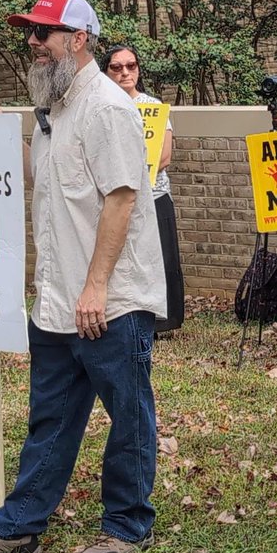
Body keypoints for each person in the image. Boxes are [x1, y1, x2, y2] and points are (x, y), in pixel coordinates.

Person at [0, 0, 167, 553]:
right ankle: (18, 530)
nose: (33, 43)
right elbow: (44, 177)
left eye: (43, 32)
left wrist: (96, 287)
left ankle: (126, 527)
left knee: (129, 416)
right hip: (56, 301)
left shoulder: (107, 109)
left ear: (79, 38)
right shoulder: (54, 111)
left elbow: (122, 199)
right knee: (51, 419)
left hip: (109, 302)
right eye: (31, 32)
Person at [102, 45, 185, 336]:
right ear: (106, 72)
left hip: (154, 196)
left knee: (162, 259)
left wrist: (131, 177)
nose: (125, 72)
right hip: (113, 198)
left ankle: (164, 322)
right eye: (116, 67)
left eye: (131, 65)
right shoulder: (101, 107)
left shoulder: (153, 106)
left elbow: (165, 156)